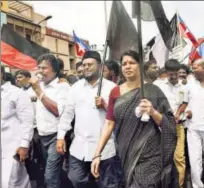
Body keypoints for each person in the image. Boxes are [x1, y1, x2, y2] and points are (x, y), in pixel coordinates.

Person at [91, 50, 178, 188]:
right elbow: (109, 123)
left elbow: (170, 123)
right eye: (124, 63)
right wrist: (97, 154)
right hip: (125, 153)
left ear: (140, 65)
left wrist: (153, 112)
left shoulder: (153, 90)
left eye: (132, 62)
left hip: (150, 153)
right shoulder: (115, 92)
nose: (127, 66)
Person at [56, 51, 122, 188]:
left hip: (105, 149)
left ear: (100, 66)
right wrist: (61, 136)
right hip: (79, 147)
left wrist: (105, 105)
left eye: (90, 64)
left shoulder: (112, 88)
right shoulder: (75, 88)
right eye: (84, 64)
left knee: (107, 184)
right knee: (76, 179)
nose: (86, 67)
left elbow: (120, 117)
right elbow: (67, 114)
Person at [29, 53, 70, 188]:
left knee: (50, 176)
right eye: (39, 68)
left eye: (44, 68)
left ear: (54, 70)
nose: (40, 71)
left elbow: (58, 111)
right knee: (54, 172)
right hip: (42, 137)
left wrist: (39, 92)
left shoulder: (63, 87)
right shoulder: (37, 85)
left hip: (56, 137)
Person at [176, 58, 204, 188]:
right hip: (193, 127)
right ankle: (197, 185)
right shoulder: (189, 85)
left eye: (195, 67)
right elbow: (185, 102)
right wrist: (181, 113)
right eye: (192, 67)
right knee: (194, 160)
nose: (192, 70)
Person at [154, 59, 187, 188]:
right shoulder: (158, 86)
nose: (173, 77)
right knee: (161, 158)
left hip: (178, 126)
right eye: (170, 74)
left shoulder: (184, 87)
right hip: (161, 126)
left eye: (176, 73)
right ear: (166, 72)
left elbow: (185, 103)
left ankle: (179, 185)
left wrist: (179, 113)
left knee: (179, 158)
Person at [1, 66, 34, 188]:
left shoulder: (17, 93)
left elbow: (27, 121)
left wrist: (24, 145)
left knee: (12, 182)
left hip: (12, 146)